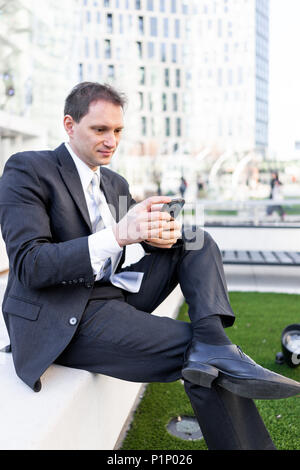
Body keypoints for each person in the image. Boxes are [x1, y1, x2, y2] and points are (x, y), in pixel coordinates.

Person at [0, 82, 299, 451]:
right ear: (69, 125)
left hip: (111, 294)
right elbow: (30, 265)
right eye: (100, 130)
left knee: (194, 239)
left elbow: (126, 245)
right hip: (61, 315)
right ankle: (215, 354)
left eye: (118, 131)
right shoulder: (28, 169)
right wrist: (122, 234)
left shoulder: (114, 181)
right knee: (201, 358)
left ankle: (214, 341)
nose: (112, 140)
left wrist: (153, 236)